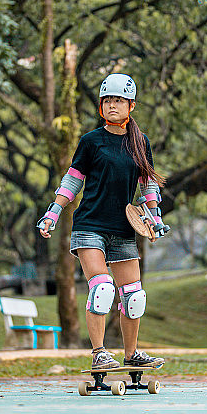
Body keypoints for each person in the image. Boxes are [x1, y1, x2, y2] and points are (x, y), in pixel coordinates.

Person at [37, 73, 167, 370]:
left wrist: (155, 217)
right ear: (101, 105)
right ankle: (99, 353)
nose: (112, 105)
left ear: (131, 106)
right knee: (102, 289)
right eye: (107, 100)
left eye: (119, 100)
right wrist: (53, 213)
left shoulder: (140, 143)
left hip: (123, 229)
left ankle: (132, 355)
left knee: (134, 296)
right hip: (90, 226)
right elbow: (73, 180)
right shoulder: (91, 141)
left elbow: (148, 185)